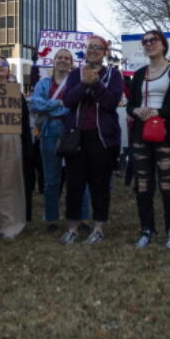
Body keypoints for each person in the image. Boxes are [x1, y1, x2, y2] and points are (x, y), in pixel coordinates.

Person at [126, 30, 170, 249]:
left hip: (166, 133)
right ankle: (146, 229)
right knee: (143, 184)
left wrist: (158, 112)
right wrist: (137, 111)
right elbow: (130, 105)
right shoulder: (139, 73)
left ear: (163, 44)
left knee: (167, 183)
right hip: (141, 133)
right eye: (145, 41)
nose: (148, 44)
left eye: (153, 40)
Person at [59, 35, 124, 244]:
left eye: (98, 48)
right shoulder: (75, 73)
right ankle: (73, 227)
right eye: (90, 48)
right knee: (74, 183)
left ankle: (98, 227)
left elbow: (111, 103)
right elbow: (68, 101)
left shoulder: (114, 75)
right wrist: (84, 84)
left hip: (101, 137)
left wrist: (95, 85)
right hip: (76, 136)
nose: (93, 51)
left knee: (100, 183)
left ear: (105, 53)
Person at [0, 57, 28, 240]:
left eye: (4, 64)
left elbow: (24, 123)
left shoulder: (17, 94)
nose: (0, 66)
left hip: (11, 138)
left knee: (10, 183)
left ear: (9, 71)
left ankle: (10, 225)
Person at [29, 48, 73, 229]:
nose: (63, 61)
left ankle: (79, 217)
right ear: (53, 61)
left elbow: (74, 106)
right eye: (59, 57)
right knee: (51, 179)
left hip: (71, 131)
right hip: (49, 132)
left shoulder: (75, 83)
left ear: (72, 63)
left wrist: (51, 107)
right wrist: (58, 103)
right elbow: (35, 104)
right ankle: (51, 218)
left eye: (67, 58)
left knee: (76, 178)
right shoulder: (43, 83)